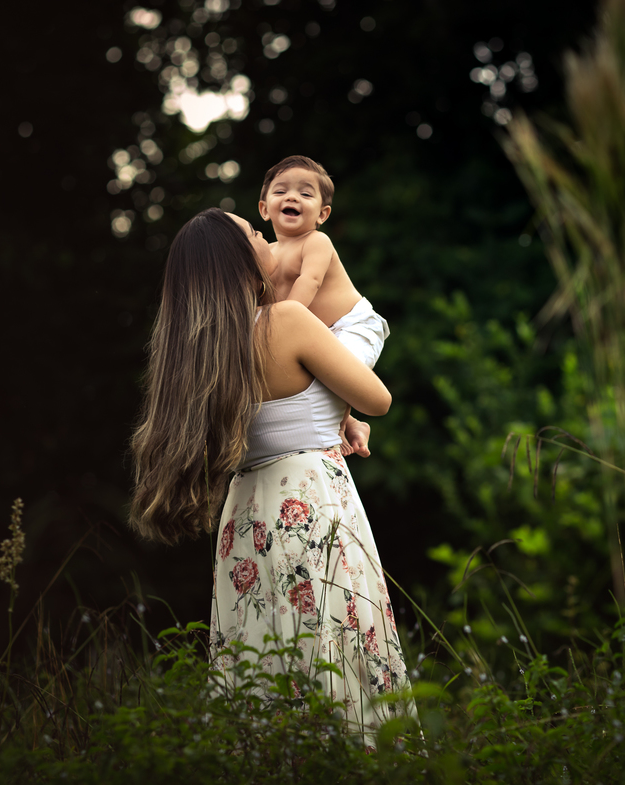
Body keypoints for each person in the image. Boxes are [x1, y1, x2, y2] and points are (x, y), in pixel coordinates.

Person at [128, 208, 417, 745]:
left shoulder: (197, 354)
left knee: (262, 665)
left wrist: (335, 413)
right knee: (335, 649)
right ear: (242, 259)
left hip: (246, 517)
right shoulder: (286, 321)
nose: (267, 239)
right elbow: (377, 399)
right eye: (255, 234)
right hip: (311, 504)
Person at [258, 155, 390, 377]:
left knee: (345, 374)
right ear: (264, 209)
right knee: (307, 383)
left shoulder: (316, 241)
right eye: (281, 192)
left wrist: (282, 324)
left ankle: (343, 410)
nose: (292, 197)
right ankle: (339, 413)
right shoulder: (267, 252)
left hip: (350, 326)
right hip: (312, 333)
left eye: (305, 194)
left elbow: (310, 281)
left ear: (322, 214)